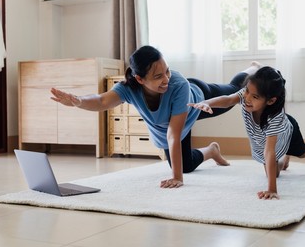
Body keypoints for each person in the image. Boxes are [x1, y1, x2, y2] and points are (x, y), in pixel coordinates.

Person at [50, 45, 259, 189]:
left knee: (234, 93)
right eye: (158, 76)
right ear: (139, 79)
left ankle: (251, 68)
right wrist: (77, 101)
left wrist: (176, 178)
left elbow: (173, 134)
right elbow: (102, 101)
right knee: (185, 165)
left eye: (167, 71)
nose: (166, 79)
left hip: (197, 100)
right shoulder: (128, 88)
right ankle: (212, 150)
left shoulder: (178, 85)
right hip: (174, 123)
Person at [188, 66, 305, 199]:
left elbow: (269, 151)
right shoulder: (246, 96)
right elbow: (228, 100)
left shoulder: (275, 118)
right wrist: (207, 103)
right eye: (247, 91)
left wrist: (272, 190)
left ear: (270, 101)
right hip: (266, 141)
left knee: (302, 152)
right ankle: (284, 156)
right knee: (275, 174)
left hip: (287, 132)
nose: (247, 98)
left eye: (255, 97)